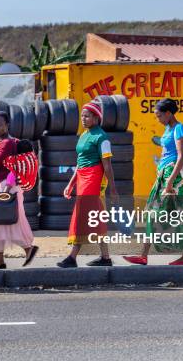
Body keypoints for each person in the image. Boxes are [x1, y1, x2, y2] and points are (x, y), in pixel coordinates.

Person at [124, 98, 183, 266]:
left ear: (169, 113)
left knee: (170, 215)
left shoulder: (178, 129)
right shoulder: (168, 129)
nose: (158, 119)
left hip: (172, 178)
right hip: (163, 176)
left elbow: (181, 156)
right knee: (153, 214)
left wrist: (170, 181)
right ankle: (144, 255)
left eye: (159, 116)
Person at [57, 102, 117, 268]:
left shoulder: (102, 137)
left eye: (87, 116)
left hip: (94, 179)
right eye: (82, 116)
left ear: (96, 118)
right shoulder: (84, 135)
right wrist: (70, 184)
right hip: (82, 178)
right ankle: (105, 258)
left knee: (84, 215)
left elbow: (107, 166)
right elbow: (79, 163)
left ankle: (72, 257)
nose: (83, 119)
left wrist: (113, 188)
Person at [0, 111, 39, 269]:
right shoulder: (2, 142)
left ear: (7, 125)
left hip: (6, 187)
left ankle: (5, 257)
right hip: (9, 186)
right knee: (10, 221)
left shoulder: (6, 142)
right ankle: (23, 251)